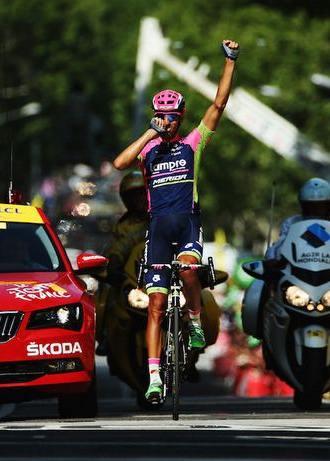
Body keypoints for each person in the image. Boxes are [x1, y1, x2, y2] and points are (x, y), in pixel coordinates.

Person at [113, 39, 240, 405]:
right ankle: (154, 378)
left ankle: (196, 321)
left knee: (187, 273)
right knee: (153, 306)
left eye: (170, 117)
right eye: (160, 115)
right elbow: (121, 163)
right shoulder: (148, 149)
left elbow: (219, 104)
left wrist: (229, 61)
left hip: (186, 224)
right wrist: (149, 133)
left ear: (180, 119)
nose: (165, 121)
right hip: (157, 229)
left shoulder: (193, 144)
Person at [95, 171, 149, 356]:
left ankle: (192, 332)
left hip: (162, 273)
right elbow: (116, 250)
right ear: (126, 200)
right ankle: (104, 336)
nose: (138, 199)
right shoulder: (123, 226)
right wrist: (114, 270)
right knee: (108, 292)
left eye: (141, 193)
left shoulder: (161, 216)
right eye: (133, 195)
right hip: (133, 278)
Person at [265, 178, 330, 267]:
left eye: (321, 205)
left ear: (329, 205)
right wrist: (272, 260)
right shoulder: (292, 223)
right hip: (296, 274)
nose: (316, 209)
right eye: (311, 205)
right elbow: (279, 246)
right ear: (303, 205)